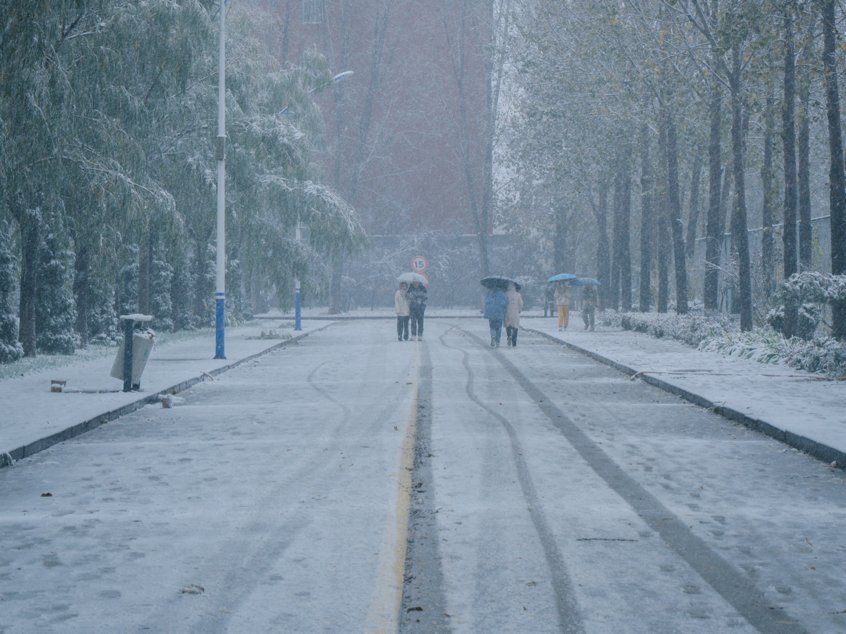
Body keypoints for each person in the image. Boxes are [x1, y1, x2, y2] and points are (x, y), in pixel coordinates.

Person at [505, 282, 523, 347]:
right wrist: (519, 310)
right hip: (515, 312)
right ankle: (514, 341)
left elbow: (504, 303)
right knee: (515, 326)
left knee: (508, 325)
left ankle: (509, 336)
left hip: (508, 312)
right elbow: (521, 303)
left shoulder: (506, 294)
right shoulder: (518, 295)